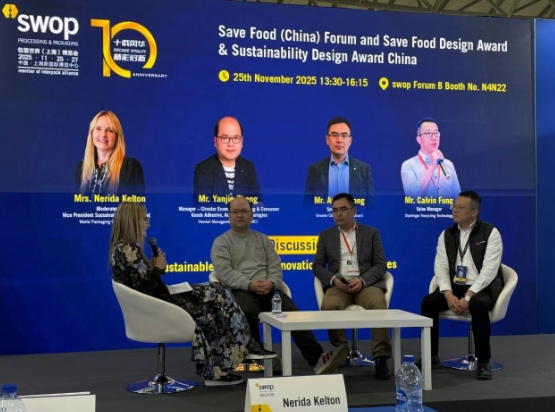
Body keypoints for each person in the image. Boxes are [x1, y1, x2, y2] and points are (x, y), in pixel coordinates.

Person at [110, 202, 277, 387]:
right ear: (133, 221)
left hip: (157, 301)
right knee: (217, 294)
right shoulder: (127, 249)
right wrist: (157, 267)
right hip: (158, 304)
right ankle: (244, 347)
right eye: (144, 219)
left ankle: (221, 367)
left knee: (216, 294)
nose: (147, 224)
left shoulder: (124, 248)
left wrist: (155, 267)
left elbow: (144, 283)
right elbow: (148, 287)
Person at [210, 196, 348, 375]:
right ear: (229, 215)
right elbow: (224, 272)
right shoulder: (221, 242)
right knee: (246, 310)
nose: (239, 215)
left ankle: (317, 358)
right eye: (235, 212)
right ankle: (258, 356)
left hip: (268, 290)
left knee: (294, 315)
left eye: (244, 211)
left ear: (252, 214)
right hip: (241, 290)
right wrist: (249, 284)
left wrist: (271, 282)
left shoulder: (263, 239)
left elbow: (275, 265)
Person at [420, 191, 504, 380]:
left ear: (474, 212)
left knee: (479, 304)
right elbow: (440, 267)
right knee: (429, 302)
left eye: (460, 207)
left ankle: (484, 361)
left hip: (480, 287)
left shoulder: (490, 233)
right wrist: (448, 294)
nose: (455, 210)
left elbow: (489, 270)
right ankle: (430, 356)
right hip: (455, 286)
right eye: (454, 206)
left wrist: (468, 296)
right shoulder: (447, 234)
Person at [312, 192, 392, 380]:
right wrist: (334, 280)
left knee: (378, 303)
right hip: (339, 285)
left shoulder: (371, 233)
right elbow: (317, 266)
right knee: (328, 306)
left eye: (343, 209)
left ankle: (381, 357)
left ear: (354, 211)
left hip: (366, 284)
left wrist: (362, 280)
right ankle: (341, 350)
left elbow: (381, 265)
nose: (338, 214)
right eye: (334, 210)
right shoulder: (326, 235)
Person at [304, 117, 374, 206]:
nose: (339, 140)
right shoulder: (315, 170)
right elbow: (307, 206)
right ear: (327, 140)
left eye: (344, 135)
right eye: (334, 135)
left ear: (350, 141)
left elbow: (372, 207)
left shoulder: (364, 170)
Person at [193, 117, 263, 203]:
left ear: (241, 142)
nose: (231, 143)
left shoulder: (248, 167)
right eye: (225, 138)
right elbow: (202, 206)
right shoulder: (203, 170)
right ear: (215, 141)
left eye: (236, 138)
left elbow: (258, 202)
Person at [76, 111, 145, 196]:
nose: (103, 135)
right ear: (92, 133)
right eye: (98, 129)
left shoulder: (130, 167)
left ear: (117, 136)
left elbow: (136, 203)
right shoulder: (81, 169)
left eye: (110, 130)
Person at [401, 117, 461, 199]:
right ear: (419, 139)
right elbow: (412, 197)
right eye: (428, 133)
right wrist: (432, 167)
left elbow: (458, 198)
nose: (433, 137)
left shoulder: (448, 164)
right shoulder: (409, 165)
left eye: (436, 133)